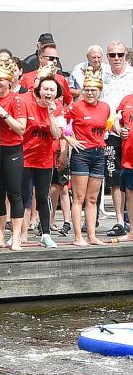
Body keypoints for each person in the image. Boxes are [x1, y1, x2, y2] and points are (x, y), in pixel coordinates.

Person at [63, 69, 111, 246]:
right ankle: (78, 237)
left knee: (93, 198)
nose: (90, 93)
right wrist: (69, 138)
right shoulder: (76, 106)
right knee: (79, 197)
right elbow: (60, 120)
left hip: (99, 153)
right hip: (81, 153)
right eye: (87, 89)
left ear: (100, 90)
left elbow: (105, 127)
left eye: (93, 89)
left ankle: (92, 235)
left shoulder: (105, 107)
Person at [0, 61, 27, 251]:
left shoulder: (16, 99)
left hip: (12, 148)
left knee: (15, 193)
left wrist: (3, 114)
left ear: (10, 82)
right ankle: (0, 235)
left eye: (1, 80)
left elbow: (21, 128)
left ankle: (16, 236)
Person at [22, 76, 64, 248]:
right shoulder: (27, 105)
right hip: (25, 158)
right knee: (24, 197)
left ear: (56, 93)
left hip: (45, 160)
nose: (48, 92)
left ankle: (46, 234)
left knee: (42, 197)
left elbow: (56, 134)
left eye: (52, 90)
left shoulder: (58, 109)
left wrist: (51, 114)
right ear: (39, 90)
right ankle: (21, 233)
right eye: (45, 89)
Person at [101, 41, 133, 236]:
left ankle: (130, 218)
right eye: (112, 55)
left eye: (120, 54)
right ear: (108, 56)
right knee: (114, 179)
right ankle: (120, 220)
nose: (116, 59)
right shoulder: (102, 76)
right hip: (111, 132)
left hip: (131, 134)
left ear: (126, 55)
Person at [117, 88, 133, 242]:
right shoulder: (126, 99)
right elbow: (119, 124)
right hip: (129, 156)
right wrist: (121, 131)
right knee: (130, 194)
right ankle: (132, 231)